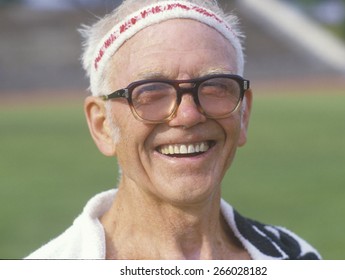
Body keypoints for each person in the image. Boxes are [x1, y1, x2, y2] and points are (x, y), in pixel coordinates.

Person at [26, 0, 321, 260]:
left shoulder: (296, 256)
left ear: (243, 114)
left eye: (215, 86)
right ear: (102, 126)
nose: (188, 115)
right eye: (151, 91)